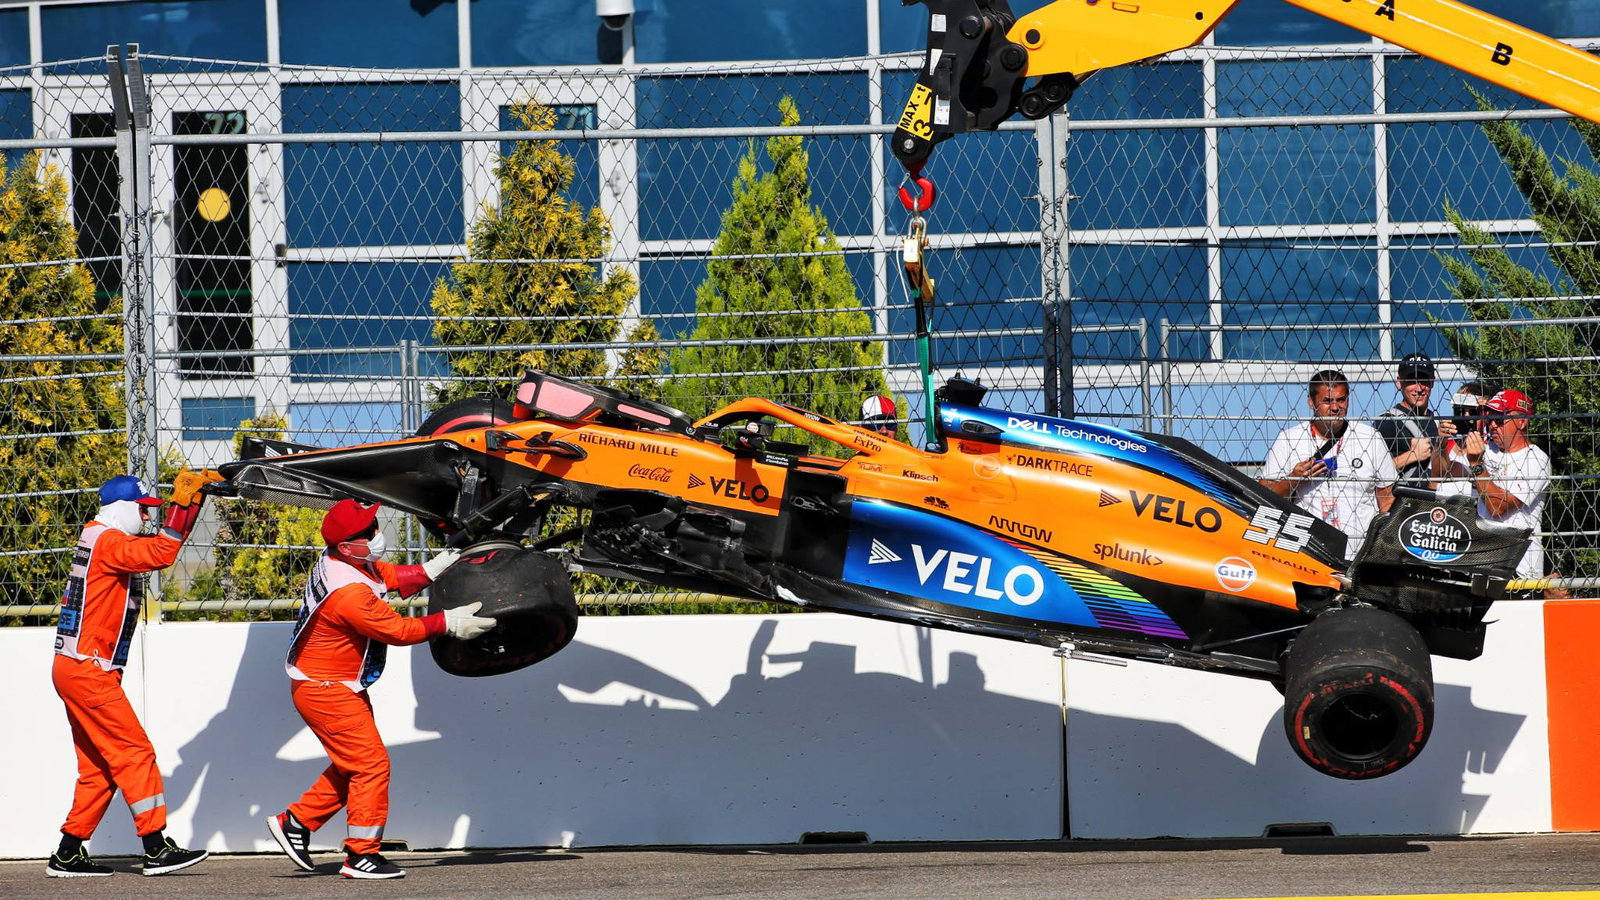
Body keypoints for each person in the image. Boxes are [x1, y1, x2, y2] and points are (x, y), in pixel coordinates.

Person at [265, 499, 496, 880]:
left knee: (353, 764)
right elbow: (398, 630)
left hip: (330, 685)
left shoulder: (344, 561)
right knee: (371, 766)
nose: (376, 535)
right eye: (367, 533)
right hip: (327, 691)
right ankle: (360, 856)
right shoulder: (349, 594)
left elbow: (385, 575)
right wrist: (447, 623)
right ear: (346, 546)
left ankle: (296, 822)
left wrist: (429, 570)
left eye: (373, 527)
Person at [48, 470, 222, 878]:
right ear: (123, 507)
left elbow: (158, 547)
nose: (147, 518)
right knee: (135, 753)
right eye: (143, 511)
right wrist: (184, 505)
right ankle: (156, 848)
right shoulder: (108, 542)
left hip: (75, 667)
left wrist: (192, 504)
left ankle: (68, 853)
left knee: (100, 767)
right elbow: (162, 553)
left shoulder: (99, 536)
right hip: (89, 669)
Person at [1260, 369, 1398, 561]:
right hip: (1307, 553)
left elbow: (1387, 502)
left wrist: (1383, 550)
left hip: (1360, 555)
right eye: (1327, 401)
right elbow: (1262, 495)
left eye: (1341, 400)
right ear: (1311, 402)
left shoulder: (1370, 438)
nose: (1335, 407)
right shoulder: (1289, 439)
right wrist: (1294, 480)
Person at [1444, 388, 1551, 581]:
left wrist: (1477, 464)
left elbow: (1498, 507)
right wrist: (1441, 442)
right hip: (1482, 566)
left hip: (1518, 571)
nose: (1493, 425)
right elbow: (1442, 473)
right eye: (1489, 418)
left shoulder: (1536, 459)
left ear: (1522, 421)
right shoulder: (1486, 449)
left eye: (1500, 419)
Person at [1373, 352, 1457, 488]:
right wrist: (1412, 455)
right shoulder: (1387, 422)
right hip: (1400, 505)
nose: (1419, 389)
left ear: (1432, 382)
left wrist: (1441, 442)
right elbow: (1371, 472)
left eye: (1424, 381)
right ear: (1399, 383)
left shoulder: (1437, 423)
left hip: (1432, 504)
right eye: (1412, 381)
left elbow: (1442, 473)